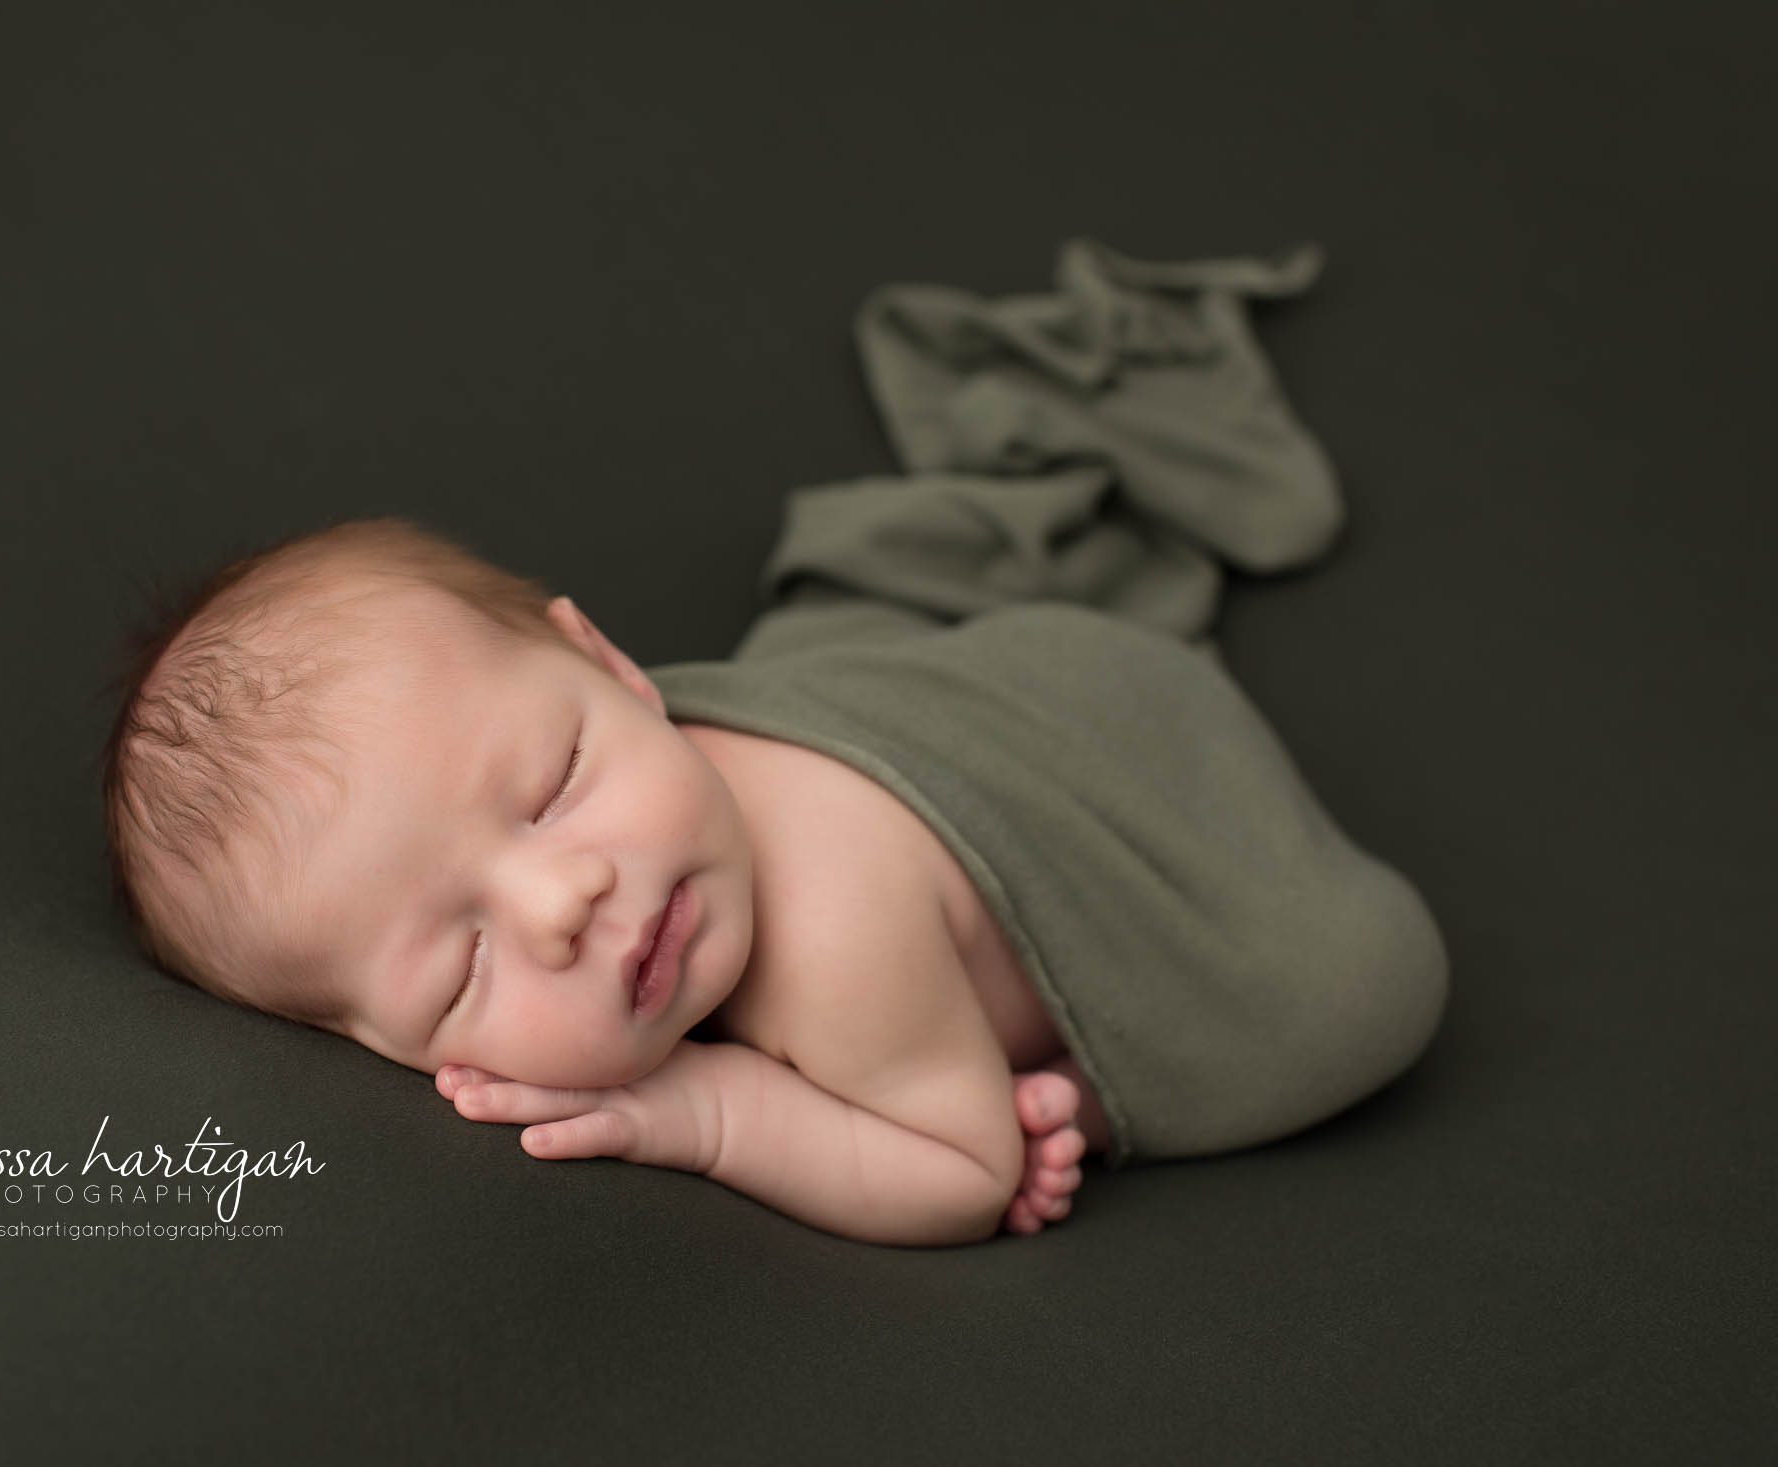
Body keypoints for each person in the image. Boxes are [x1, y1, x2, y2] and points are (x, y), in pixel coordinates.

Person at [98, 240, 1451, 1248]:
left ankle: (1089, 1090)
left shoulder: (837, 943)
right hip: (1007, 716)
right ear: (393, 1055)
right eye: (462, 967)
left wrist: (712, 1116)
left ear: (613, 664)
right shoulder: (641, 795)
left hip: (1145, 810)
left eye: (557, 783)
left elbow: (965, 1179)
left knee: (1368, 994)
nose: (564, 904)